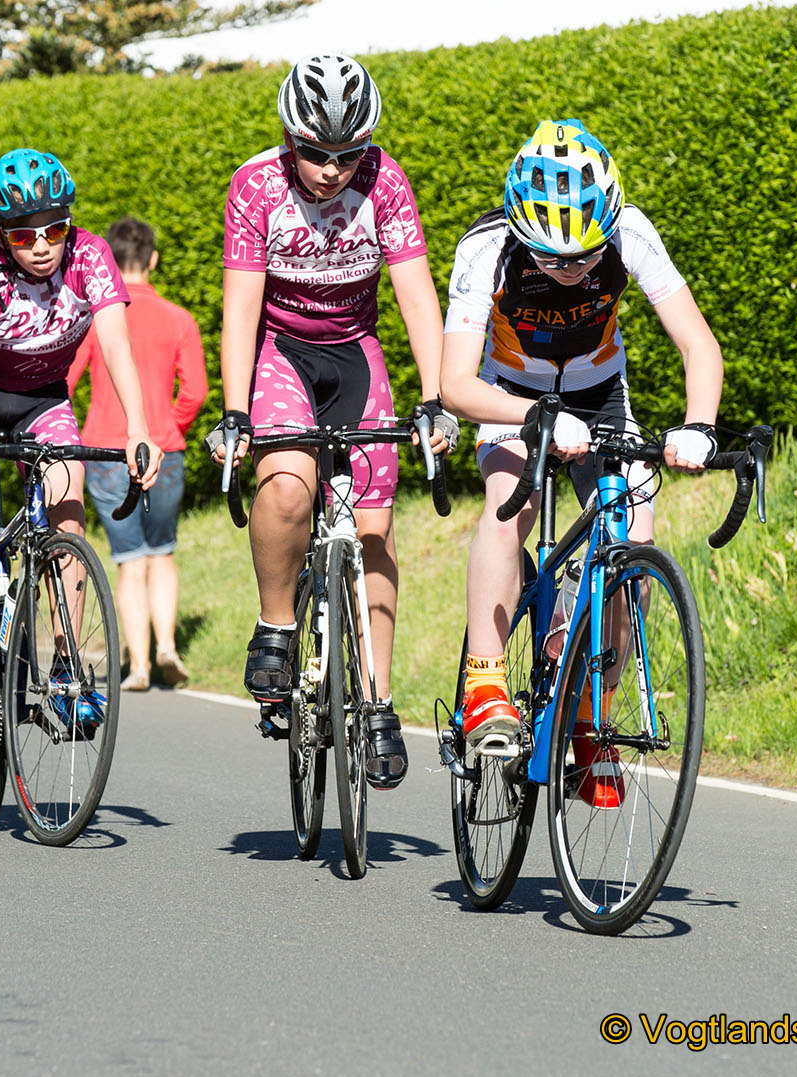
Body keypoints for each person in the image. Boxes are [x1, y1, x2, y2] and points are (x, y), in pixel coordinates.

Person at [437, 119, 725, 807]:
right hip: (510, 396)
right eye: (551, 259)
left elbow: (698, 345)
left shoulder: (631, 232)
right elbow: (455, 384)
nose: (569, 272)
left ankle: (593, 707)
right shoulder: (487, 249)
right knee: (514, 502)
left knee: (632, 540)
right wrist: (534, 416)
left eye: (583, 258)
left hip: (601, 394)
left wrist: (700, 427)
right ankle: (485, 676)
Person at [208, 53, 454, 790]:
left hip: (355, 354)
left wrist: (437, 398)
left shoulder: (387, 180)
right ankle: (279, 624)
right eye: (313, 152)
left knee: (373, 535)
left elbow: (416, 296)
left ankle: (377, 699)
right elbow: (240, 307)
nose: (329, 170)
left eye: (347, 154)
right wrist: (233, 411)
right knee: (287, 487)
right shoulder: (256, 184)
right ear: (289, 137)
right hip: (282, 352)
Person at [0, 150, 163, 726]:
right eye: (24, 235)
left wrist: (137, 428)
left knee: (68, 510)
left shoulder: (91, 256)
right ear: (1, 235)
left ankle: (66, 668)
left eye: (54, 227)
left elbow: (116, 345)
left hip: (43, 398)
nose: (41, 244)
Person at [67, 217, 207, 692]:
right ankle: (167, 644)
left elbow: (63, 385)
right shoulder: (179, 318)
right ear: (153, 260)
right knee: (162, 551)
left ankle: (141, 665)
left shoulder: (95, 319)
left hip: (106, 448)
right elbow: (197, 391)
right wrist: (171, 426)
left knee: (130, 558)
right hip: (164, 448)